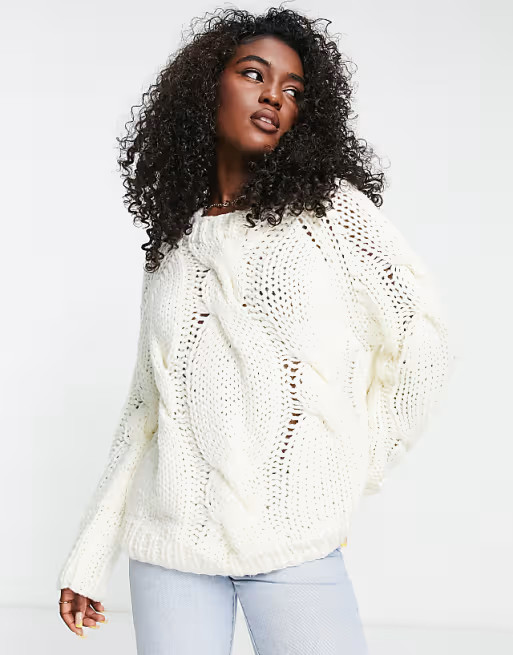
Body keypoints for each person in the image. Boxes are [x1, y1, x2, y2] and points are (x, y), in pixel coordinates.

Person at [57, 7, 453, 654]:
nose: (273, 95)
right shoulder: (173, 245)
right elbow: (145, 410)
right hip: (170, 550)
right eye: (253, 74)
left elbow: (423, 345)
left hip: (295, 546)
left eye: (293, 90)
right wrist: (89, 555)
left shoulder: (331, 214)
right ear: (206, 86)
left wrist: (349, 474)